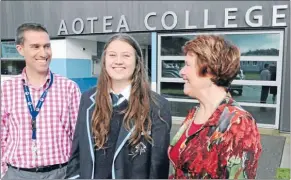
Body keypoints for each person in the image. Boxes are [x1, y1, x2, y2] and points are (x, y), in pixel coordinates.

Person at [65, 33, 172, 179]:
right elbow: (77, 153)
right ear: (104, 60)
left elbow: (158, 166)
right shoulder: (88, 99)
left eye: (126, 55)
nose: (118, 61)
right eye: (112, 55)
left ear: (137, 62)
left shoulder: (158, 105)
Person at [168, 35, 262, 179]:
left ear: (210, 70)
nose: (181, 72)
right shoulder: (193, 113)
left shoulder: (239, 124)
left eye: (187, 65)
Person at [1, 23, 81, 179]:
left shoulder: (69, 88)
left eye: (47, 46)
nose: (43, 53)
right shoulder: (6, 89)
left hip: (61, 173)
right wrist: (4, 172)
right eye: (35, 47)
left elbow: (79, 137)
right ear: (20, 49)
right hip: (17, 174)